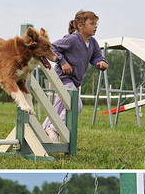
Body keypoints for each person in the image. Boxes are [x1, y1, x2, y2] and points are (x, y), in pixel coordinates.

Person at [44, 10, 108, 142]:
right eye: (92, 23)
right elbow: (52, 47)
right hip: (63, 77)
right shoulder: (72, 39)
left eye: (96, 24)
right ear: (80, 25)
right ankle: (54, 129)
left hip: (75, 81)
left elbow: (97, 56)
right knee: (75, 105)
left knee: (59, 107)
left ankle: (42, 131)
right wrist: (63, 61)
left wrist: (101, 63)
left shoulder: (93, 43)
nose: (95, 26)